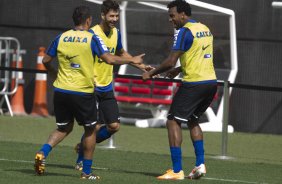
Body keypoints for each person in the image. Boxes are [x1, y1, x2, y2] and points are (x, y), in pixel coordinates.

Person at [34, 5, 144, 180]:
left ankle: (42, 152)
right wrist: (132, 59)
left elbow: (45, 60)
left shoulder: (61, 37)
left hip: (61, 90)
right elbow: (108, 58)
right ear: (88, 20)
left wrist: (54, 72)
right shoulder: (91, 38)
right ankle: (86, 171)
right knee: (91, 130)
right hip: (83, 91)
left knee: (64, 128)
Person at [142, 0, 217, 180]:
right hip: (210, 83)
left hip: (194, 84)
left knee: (172, 121)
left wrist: (151, 73)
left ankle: (176, 170)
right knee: (193, 120)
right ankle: (200, 164)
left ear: (183, 14)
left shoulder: (183, 31)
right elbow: (198, 56)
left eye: (172, 15)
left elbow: (169, 60)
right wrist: (179, 69)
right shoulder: (204, 28)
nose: (171, 19)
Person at [74, 0, 151, 170]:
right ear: (102, 15)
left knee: (114, 126)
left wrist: (143, 67)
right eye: (111, 15)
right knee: (92, 128)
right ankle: (81, 160)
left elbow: (120, 52)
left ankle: (82, 146)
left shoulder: (116, 33)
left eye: (117, 15)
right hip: (91, 87)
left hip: (106, 87)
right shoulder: (92, 33)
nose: (114, 19)